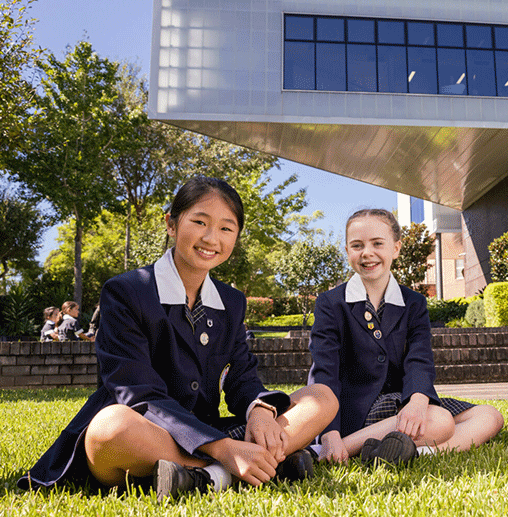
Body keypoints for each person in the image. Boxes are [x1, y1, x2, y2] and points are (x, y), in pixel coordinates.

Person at [18, 176, 337, 500]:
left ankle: (207, 474)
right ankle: (243, 466)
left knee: (322, 397)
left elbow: (242, 375)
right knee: (109, 428)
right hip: (144, 433)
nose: (212, 237)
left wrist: (259, 409)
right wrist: (224, 447)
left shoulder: (231, 301)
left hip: (206, 428)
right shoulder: (127, 291)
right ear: (171, 224)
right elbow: (136, 392)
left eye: (227, 228)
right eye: (200, 222)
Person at [309, 209, 504, 465]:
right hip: (354, 410)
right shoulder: (331, 302)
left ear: (396, 248)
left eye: (378, 243)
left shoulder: (413, 303)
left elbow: (419, 358)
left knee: (489, 416)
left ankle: (406, 451)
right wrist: (330, 433)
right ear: (348, 251)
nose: (367, 252)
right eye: (357, 245)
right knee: (440, 421)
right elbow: (324, 370)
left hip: (401, 403)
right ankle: (339, 447)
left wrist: (417, 400)